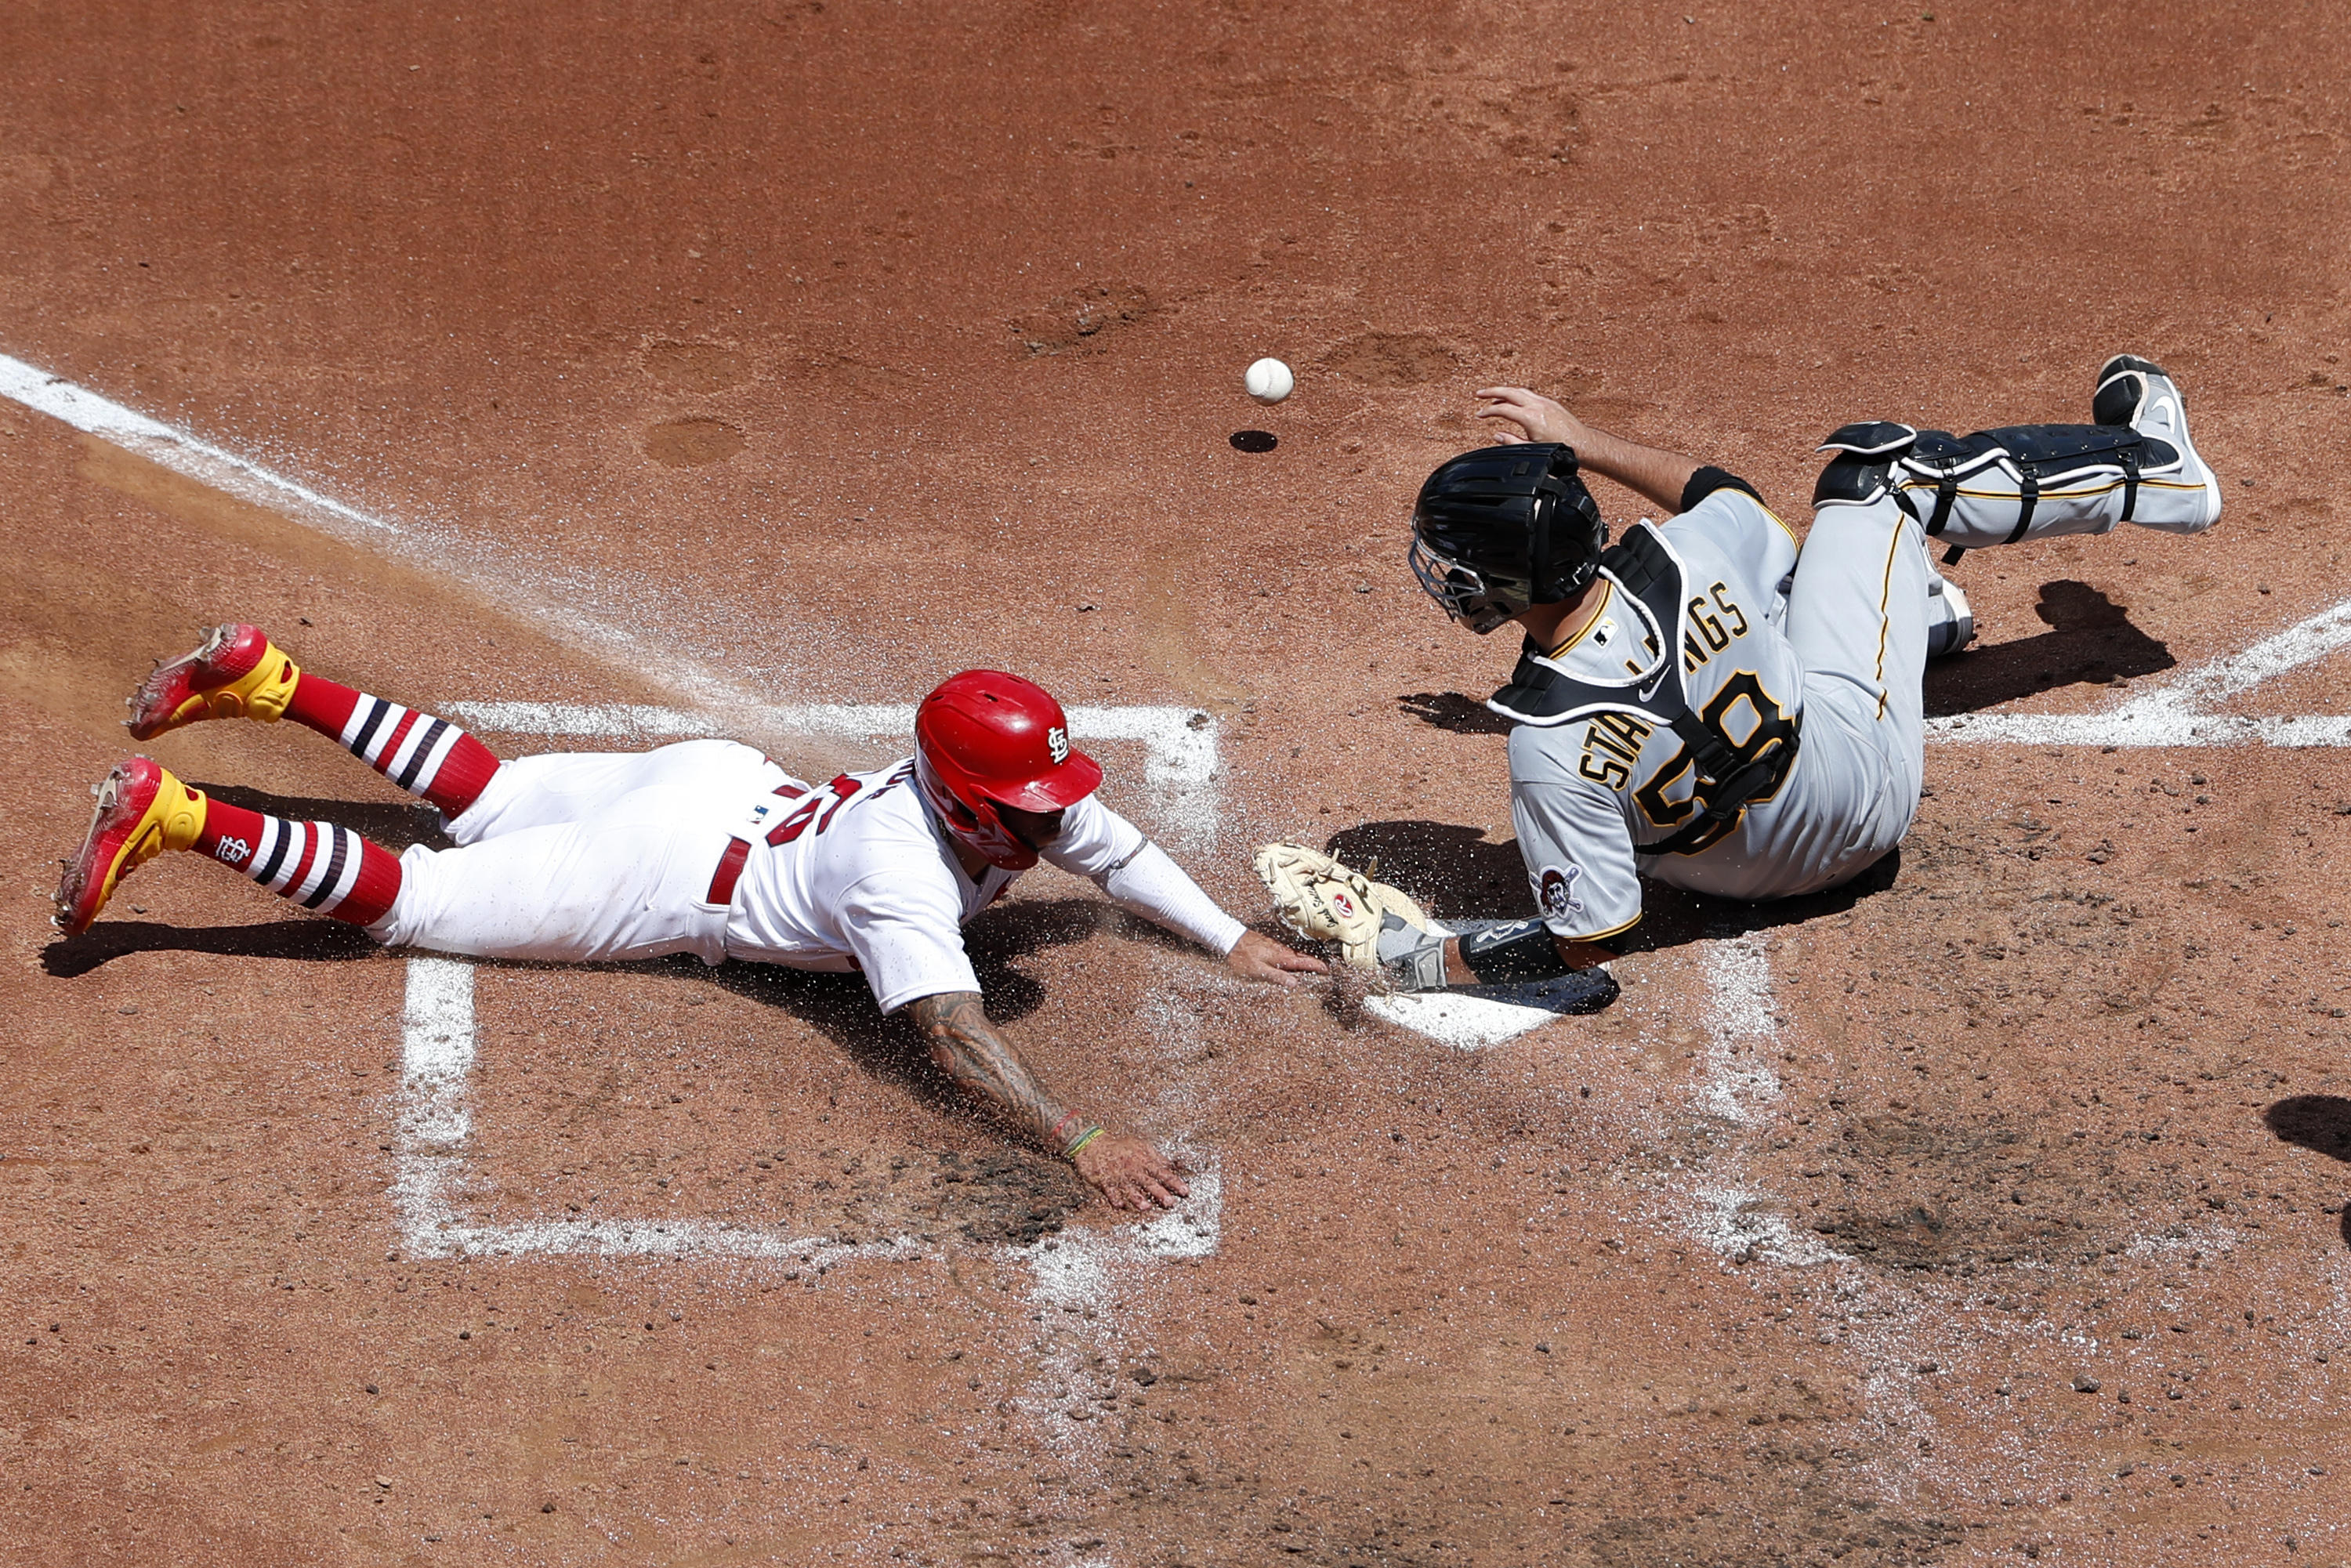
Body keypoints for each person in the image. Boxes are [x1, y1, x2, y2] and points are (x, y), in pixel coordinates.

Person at [54, 628, 1323, 1206]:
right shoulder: (900, 875)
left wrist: (1228, 936)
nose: (1052, 825)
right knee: (422, 898)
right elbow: (949, 1032)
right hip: (664, 868)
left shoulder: (1002, 800)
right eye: (1027, 806)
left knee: (488, 792)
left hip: (712, 779)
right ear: (961, 792)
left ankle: (272, 678)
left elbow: (1120, 851)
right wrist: (1081, 1134)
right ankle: (177, 815)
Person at [1257, 355, 2219, 997]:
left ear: (1496, 583)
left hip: (1749, 879)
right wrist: (1583, 438)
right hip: (1869, 783)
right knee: (1872, 472)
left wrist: (1424, 960)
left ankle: (1917, 615)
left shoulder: (1546, 746)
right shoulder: (1688, 555)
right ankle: (2154, 468)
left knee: (1758, 641)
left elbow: (1591, 938)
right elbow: (1732, 500)